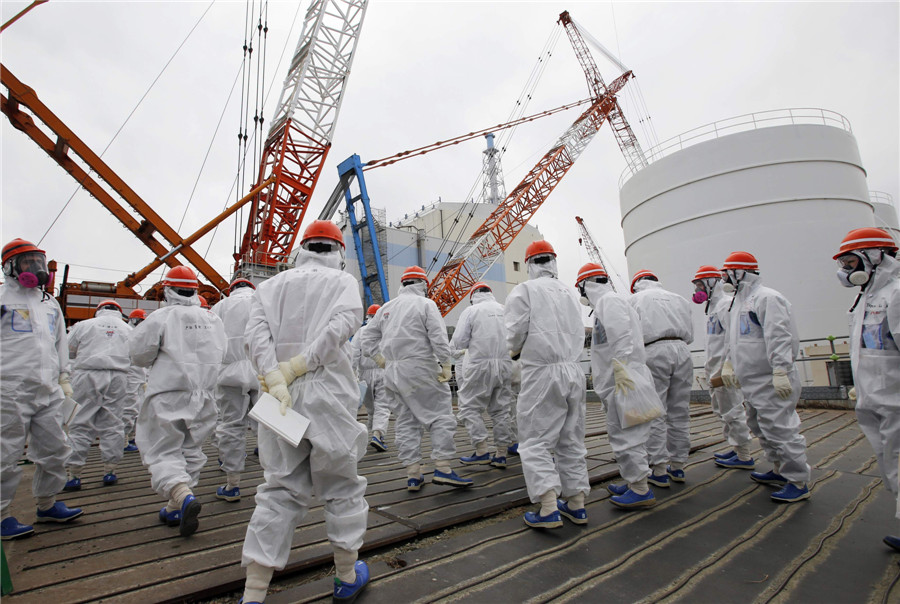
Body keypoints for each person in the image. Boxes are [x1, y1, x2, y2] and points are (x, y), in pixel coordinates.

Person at [241, 220, 370, 604]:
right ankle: (347, 575)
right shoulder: (342, 282)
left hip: (279, 395)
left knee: (278, 488)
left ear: (303, 249)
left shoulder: (269, 286)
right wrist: (301, 364)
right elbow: (343, 325)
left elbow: (254, 337)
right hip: (327, 391)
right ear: (338, 252)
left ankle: (253, 593)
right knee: (341, 485)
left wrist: (276, 376)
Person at [130, 265, 225, 536]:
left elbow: (138, 356)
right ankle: (175, 506)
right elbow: (223, 352)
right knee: (191, 449)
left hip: (169, 394)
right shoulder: (213, 319)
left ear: (167, 290)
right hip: (205, 396)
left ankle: (182, 496)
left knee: (160, 450)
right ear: (196, 290)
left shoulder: (161, 317)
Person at [359, 266, 472, 491]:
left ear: (403, 284)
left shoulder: (386, 308)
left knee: (406, 421)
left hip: (393, 372)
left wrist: (381, 360)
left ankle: (413, 474)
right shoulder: (426, 305)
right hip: (421, 368)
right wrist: (446, 364)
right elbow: (439, 339)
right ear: (423, 285)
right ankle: (443, 468)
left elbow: (366, 340)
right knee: (440, 415)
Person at [1, 238, 83, 540]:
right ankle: (1, 515)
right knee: (5, 453)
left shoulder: (49, 304)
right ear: (11, 267)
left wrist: (63, 378)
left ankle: (47, 504)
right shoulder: (2, 299)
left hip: (47, 388)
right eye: (27, 262)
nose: (35, 268)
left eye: (38, 261)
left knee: (56, 448)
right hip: (9, 388)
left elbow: (60, 343)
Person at [505, 240, 589, 528]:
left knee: (535, 440)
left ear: (529, 264)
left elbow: (514, 333)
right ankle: (576, 503)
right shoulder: (568, 291)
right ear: (552, 261)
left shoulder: (525, 290)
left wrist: (513, 352)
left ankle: (548, 508)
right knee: (571, 439)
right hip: (574, 370)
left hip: (542, 372)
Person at [719, 251, 811, 503]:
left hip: (771, 378)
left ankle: (798, 480)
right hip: (752, 379)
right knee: (761, 425)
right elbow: (734, 339)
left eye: (727, 272)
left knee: (782, 428)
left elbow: (779, 336)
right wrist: (729, 363)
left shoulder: (768, 298)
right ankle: (780, 469)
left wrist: (781, 369)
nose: (723, 277)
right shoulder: (738, 302)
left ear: (740, 273)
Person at [833, 227, 900, 549]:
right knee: (891, 463)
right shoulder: (866, 299)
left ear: (874, 258)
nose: (846, 271)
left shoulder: (897, 293)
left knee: (899, 460)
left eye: (849, 263)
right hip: (877, 396)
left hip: (895, 397)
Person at [578, 263, 658, 509]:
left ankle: (640, 489)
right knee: (624, 431)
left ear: (586, 284)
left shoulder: (608, 302)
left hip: (622, 378)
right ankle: (635, 480)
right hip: (619, 377)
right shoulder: (607, 303)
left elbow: (621, 336)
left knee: (627, 434)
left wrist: (622, 367)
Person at [629, 269, 694, 486]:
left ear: (637, 284)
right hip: (683, 350)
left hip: (653, 350)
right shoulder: (680, 300)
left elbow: (630, 334)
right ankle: (678, 466)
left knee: (654, 410)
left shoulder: (636, 300)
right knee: (680, 410)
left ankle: (658, 468)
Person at [691, 266, 755, 469]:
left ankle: (744, 455)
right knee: (722, 410)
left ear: (712, 283)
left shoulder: (726, 304)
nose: (697, 289)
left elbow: (732, 337)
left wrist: (729, 364)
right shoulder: (712, 307)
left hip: (724, 367)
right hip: (714, 367)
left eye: (700, 284)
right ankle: (735, 447)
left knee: (733, 409)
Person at [64, 299, 132, 488]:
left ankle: (74, 474)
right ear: (119, 311)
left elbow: (68, 351)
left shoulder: (83, 325)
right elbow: (135, 354)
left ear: (98, 310)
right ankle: (110, 471)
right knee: (113, 423)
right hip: (118, 376)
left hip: (87, 374)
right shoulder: (128, 329)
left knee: (80, 422)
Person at [451, 282, 517, 469]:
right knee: (501, 410)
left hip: (479, 364)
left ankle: (481, 450)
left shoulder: (471, 311)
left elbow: (459, 342)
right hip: (504, 364)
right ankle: (501, 454)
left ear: (473, 296)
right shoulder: (505, 310)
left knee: (469, 407)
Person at [210, 278, 259, 503]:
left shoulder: (219, 307)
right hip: (261, 371)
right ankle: (278, 479)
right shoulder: (263, 300)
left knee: (231, 425)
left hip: (228, 372)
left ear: (231, 291)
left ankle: (233, 484)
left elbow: (210, 344)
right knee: (270, 424)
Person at [351, 304, 393, 452]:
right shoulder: (386, 330)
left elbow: (354, 353)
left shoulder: (361, 332)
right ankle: (378, 434)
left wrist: (352, 373)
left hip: (364, 374)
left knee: (370, 408)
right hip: (383, 370)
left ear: (367, 316)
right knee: (383, 405)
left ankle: (370, 435)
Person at [122, 309, 149, 453]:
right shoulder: (129, 332)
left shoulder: (138, 334)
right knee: (129, 407)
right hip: (130, 375)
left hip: (138, 375)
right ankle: (124, 440)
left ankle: (132, 436)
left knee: (137, 407)